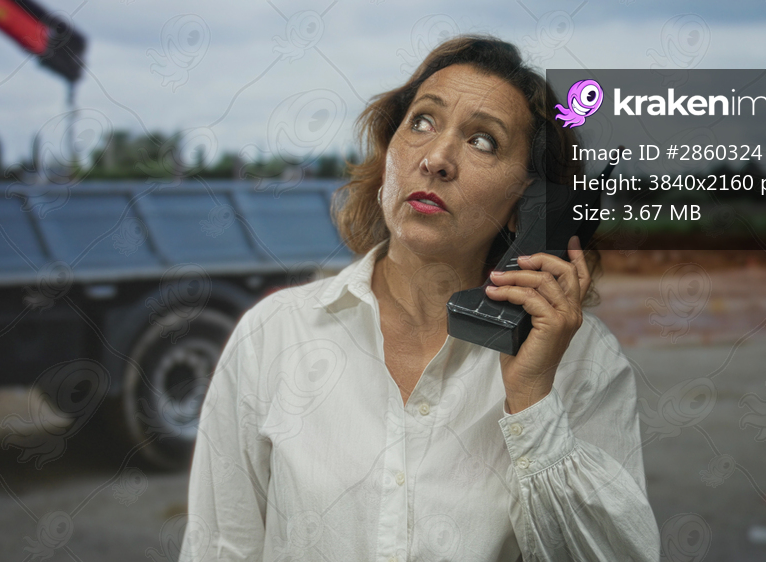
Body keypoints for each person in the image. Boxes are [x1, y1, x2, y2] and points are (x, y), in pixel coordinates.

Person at [180, 35, 660, 561]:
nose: (436, 159)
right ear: (388, 153)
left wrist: (532, 401)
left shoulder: (586, 362)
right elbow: (220, 549)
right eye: (423, 122)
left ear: (528, 205)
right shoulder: (272, 334)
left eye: (483, 142)